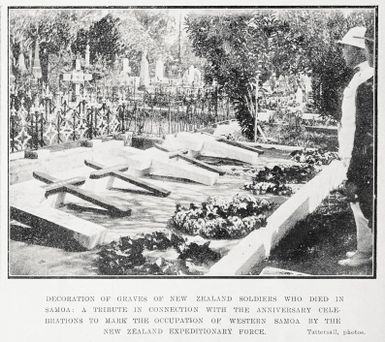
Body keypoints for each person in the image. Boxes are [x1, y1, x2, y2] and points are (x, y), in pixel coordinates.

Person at [337, 26, 375, 267]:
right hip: (350, 145)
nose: (343, 54)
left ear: (360, 51)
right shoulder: (358, 75)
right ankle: (366, 247)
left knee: (359, 198)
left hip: (359, 148)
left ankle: (366, 251)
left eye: (346, 49)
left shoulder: (367, 78)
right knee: (357, 199)